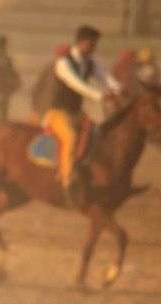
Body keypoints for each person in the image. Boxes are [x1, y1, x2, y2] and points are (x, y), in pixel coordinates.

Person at [44, 25, 121, 206]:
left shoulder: (90, 62)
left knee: (96, 133)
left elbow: (105, 76)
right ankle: (66, 180)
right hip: (58, 113)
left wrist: (118, 88)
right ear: (82, 42)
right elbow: (76, 84)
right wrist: (101, 95)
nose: (94, 48)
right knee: (70, 137)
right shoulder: (63, 63)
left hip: (76, 112)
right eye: (93, 44)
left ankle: (82, 170)